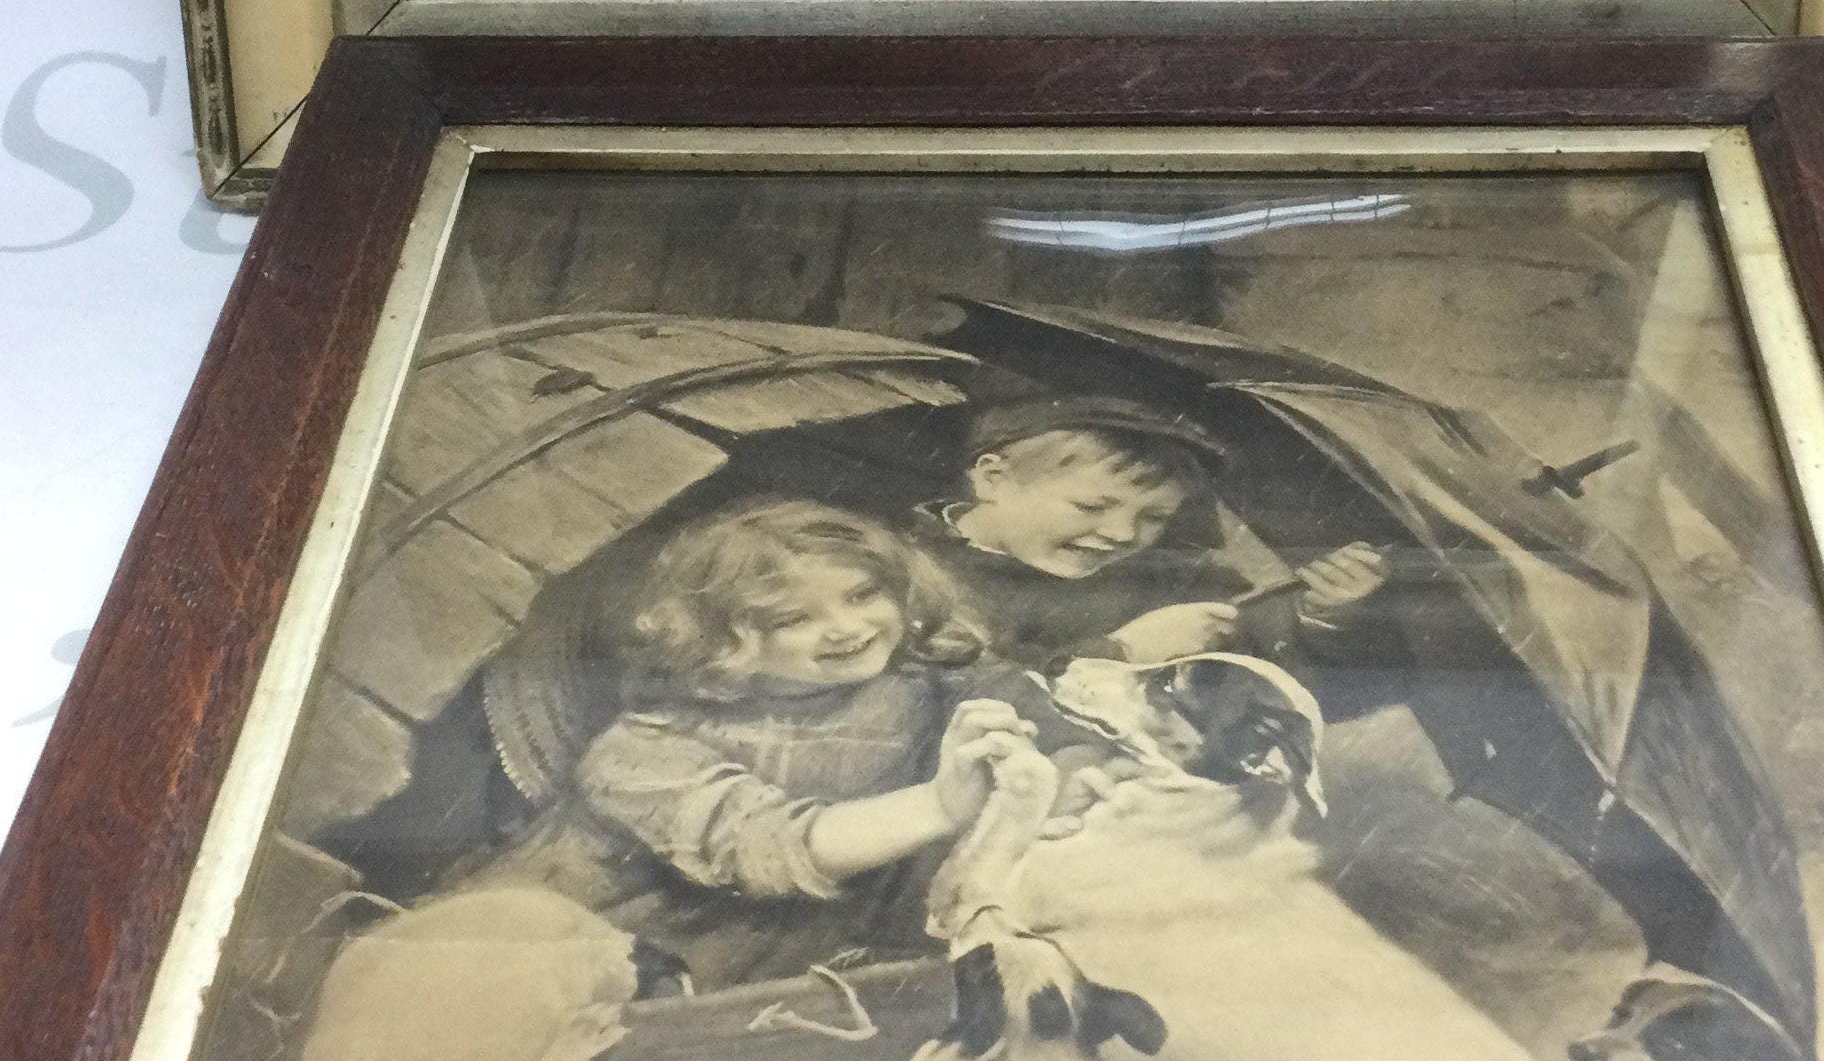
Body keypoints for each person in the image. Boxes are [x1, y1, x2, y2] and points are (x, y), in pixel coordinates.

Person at [479, 502, 1036, 989]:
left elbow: (1033, 716)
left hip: (810, 945)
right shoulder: (641, 752)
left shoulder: (917, 684)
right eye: (792, 618)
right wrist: (939, 805)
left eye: (863, 594)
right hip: (616, 951)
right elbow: (772, 847)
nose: (846, 627)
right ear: (722, 640)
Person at [913, 395, 1389, 669]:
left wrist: (1319, 616)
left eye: (1155, 517)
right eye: (1091, 506)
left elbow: (1251, 662)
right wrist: (1121, 652)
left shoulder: (1169, 579)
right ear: (994, 479)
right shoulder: (903, 570)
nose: (1124, 534)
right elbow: (936, 701)